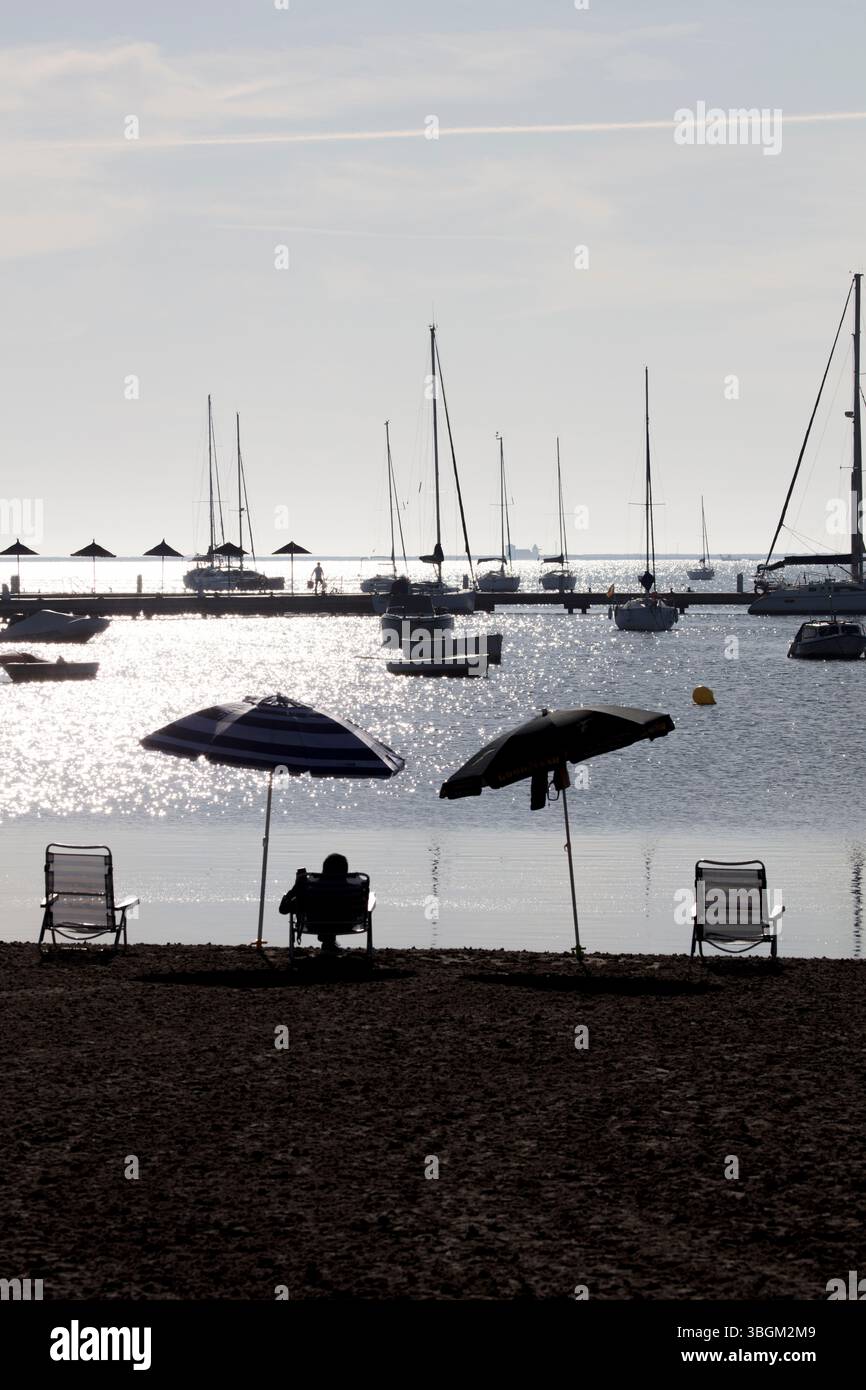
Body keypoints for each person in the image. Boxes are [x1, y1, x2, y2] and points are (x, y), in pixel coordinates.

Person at [279, 852, 349, 955]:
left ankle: (328, 944)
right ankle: (329, 944)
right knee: (332, 911)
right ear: (345, 871)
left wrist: (295, 889)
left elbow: (283, 909)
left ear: (324, 870)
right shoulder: (352, 889)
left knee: (324, 913)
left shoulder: (310, 890)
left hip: (314, 925)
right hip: (346, 925)